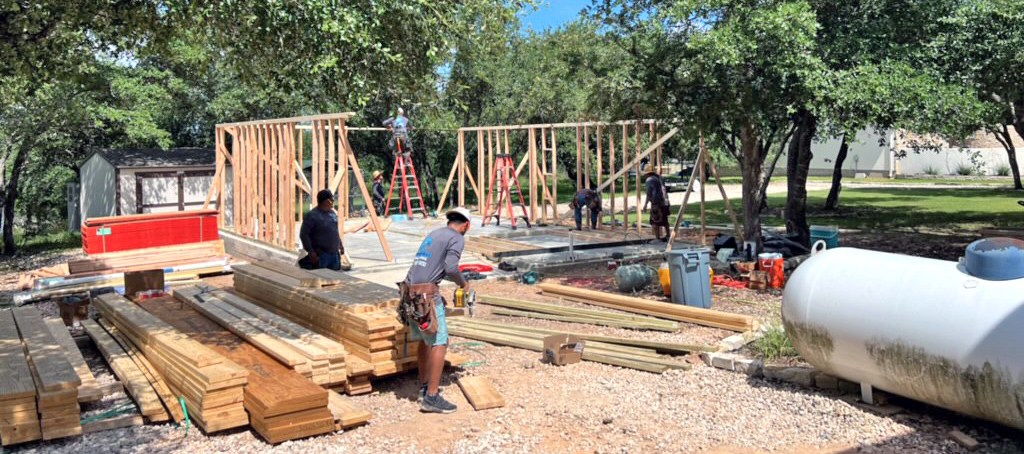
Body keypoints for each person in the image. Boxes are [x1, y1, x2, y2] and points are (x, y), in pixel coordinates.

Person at [400, 207, 471, 414]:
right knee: (440, 341)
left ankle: (424, 387)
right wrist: (463, 285)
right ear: (466, 225)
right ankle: (431, 397)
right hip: (426, 294)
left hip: (411, 291)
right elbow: (451, 267)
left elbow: (425, 266)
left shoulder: (434, 234)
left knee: (425, 339)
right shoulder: (456, 238)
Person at [299, 189, 352, 271]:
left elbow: (335, 231)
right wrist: (311, 252)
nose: (332, 202)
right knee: (321, 277)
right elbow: (304, 234)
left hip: (334, 254)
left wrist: (340, 244)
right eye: (331, 200)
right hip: (321, 255)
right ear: (325, 201)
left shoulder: (332, 213)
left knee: (334, 278)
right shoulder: (312, 216)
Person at [642, 165, 671, 241]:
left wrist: (645, 205)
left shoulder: (649, 180)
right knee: (665, 220)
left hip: (657, 203)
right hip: (666, 202)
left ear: (648, 173)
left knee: (655, 221)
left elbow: (649, 194)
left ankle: (657, 238)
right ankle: (668, 236)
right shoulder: (660, 178)